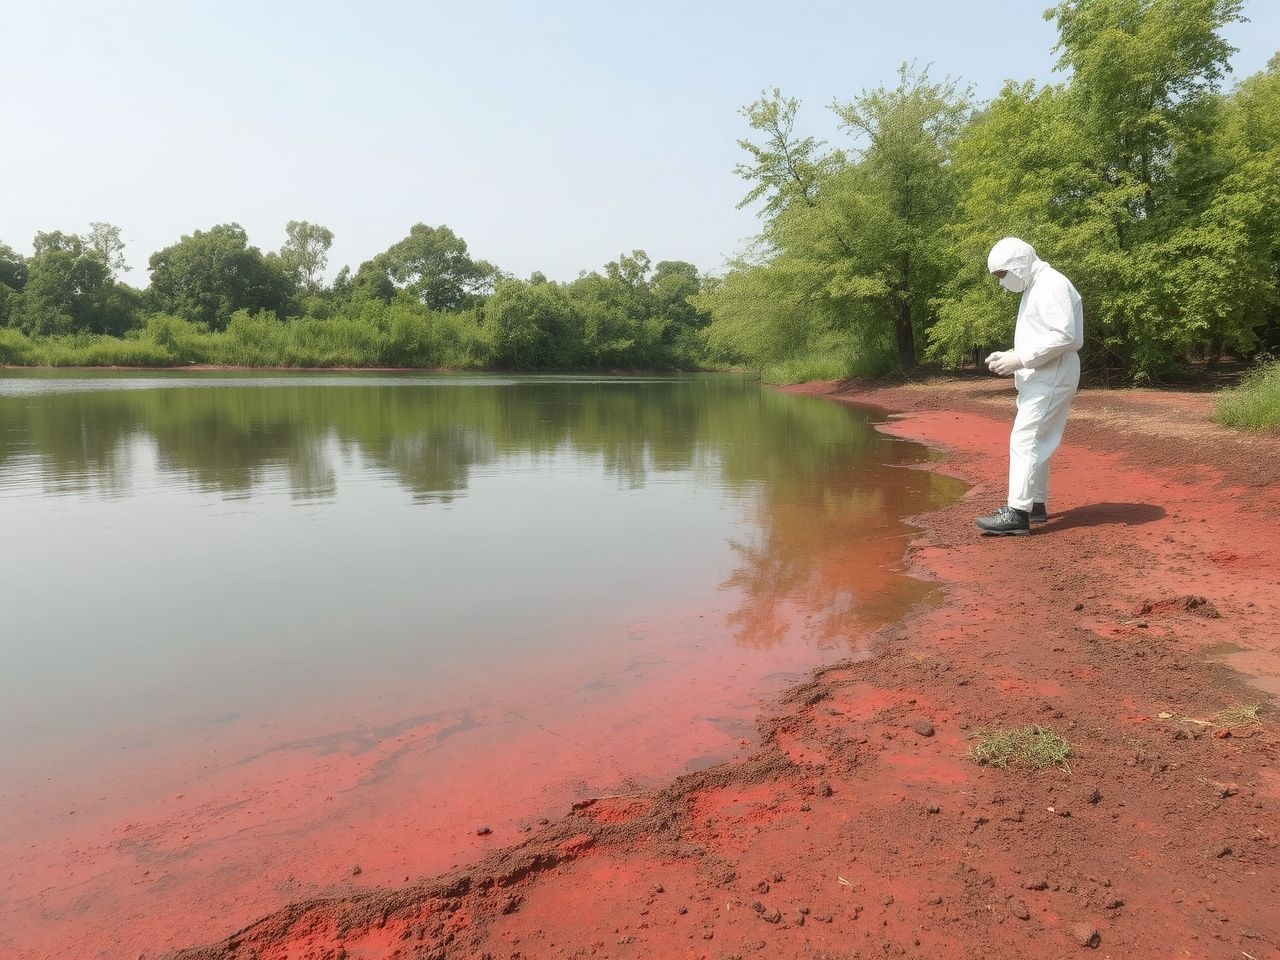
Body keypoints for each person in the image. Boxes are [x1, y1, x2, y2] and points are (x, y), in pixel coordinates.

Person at [975, 237, 1084, 536]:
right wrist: (1014, 358)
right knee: (1037, 439)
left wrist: (1019, 358)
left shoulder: (1050, 284)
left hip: (1051, 373)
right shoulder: (1037, 285)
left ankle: (1017, 512)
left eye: (1002, 274)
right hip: (1044, 374)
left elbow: (1063, 335)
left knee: (1025, 438)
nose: (1002, 282)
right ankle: (1034, 504)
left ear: (1018, 264)